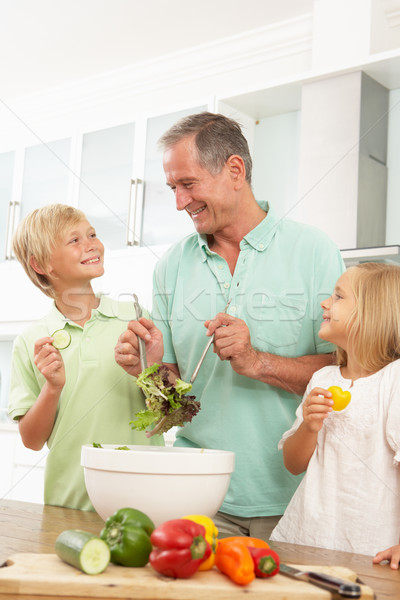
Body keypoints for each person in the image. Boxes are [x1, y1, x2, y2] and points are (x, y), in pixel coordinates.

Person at [115, 111, 345, 539]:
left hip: (295, 498)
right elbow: (168, 405)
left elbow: (348, 376)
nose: (179, 202)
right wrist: (151, 369)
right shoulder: (171, 265)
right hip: (198, 495)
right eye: (173, 188)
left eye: (188, 184)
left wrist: (257, 361)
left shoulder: (314, 251)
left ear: (234, 170)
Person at [8, 204, 162, 511]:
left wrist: (151, 368)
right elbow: (31, 440)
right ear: (41, 265)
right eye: (74, 240)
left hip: (145, 499)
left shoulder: (135, 318)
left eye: (92, 234)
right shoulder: (32, 342)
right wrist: (52, 388)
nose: (91, 244)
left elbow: (165, 416)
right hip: (69, 504)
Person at [270, 263, 400, 556]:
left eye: (339, 297)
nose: (325, 303)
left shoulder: (395, 379)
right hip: (308, 539)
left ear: (372, 313)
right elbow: (293, 465)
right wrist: (309, 427)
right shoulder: (323, 378)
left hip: (372, 548)